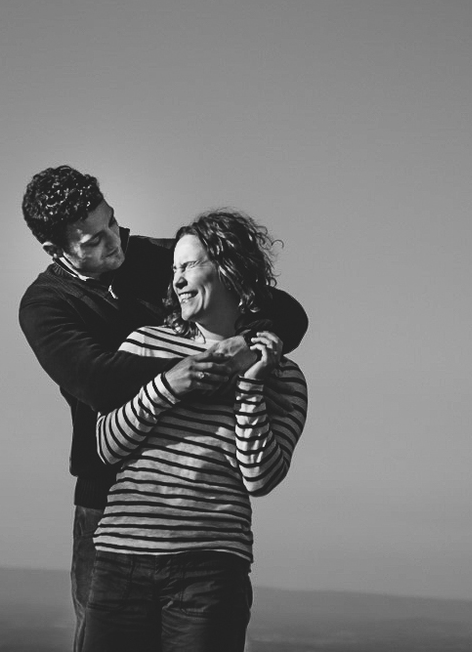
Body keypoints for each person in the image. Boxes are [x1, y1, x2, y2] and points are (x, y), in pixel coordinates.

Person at [18, 168, 309, 644]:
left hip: (203, 503)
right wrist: (194, 369)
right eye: (94, 240)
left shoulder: (163, 258)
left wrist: (253, 345)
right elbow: (98, 381)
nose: (114, 242)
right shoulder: (45, 305)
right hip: (106, 499)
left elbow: (287, 311)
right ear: (57, 251)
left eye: (112, 223)